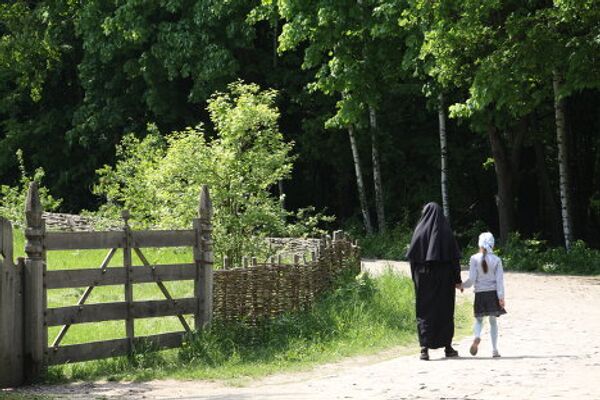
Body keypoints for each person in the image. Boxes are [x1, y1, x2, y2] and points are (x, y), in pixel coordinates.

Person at [406, 202, 462, 361]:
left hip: (423, 277)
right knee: (445, 310)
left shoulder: (419, 231)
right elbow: (454, 259)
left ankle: (424, 349)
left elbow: (413, 260)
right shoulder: (446, 231)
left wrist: (415, 280)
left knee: (425, 310)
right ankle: (448, 347)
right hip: (444, 277)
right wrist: (457, 280)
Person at [462, 231, 506, 358]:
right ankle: (494, 350)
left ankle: (477, 336)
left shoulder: (474, 258)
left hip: (480, 295)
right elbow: (499, 281)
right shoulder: (497, 260)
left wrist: (461, 285)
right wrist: (501, 298)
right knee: (493, 322)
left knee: (479, 320)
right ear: (492, 244)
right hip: (492, 294)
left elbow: (471, 280)